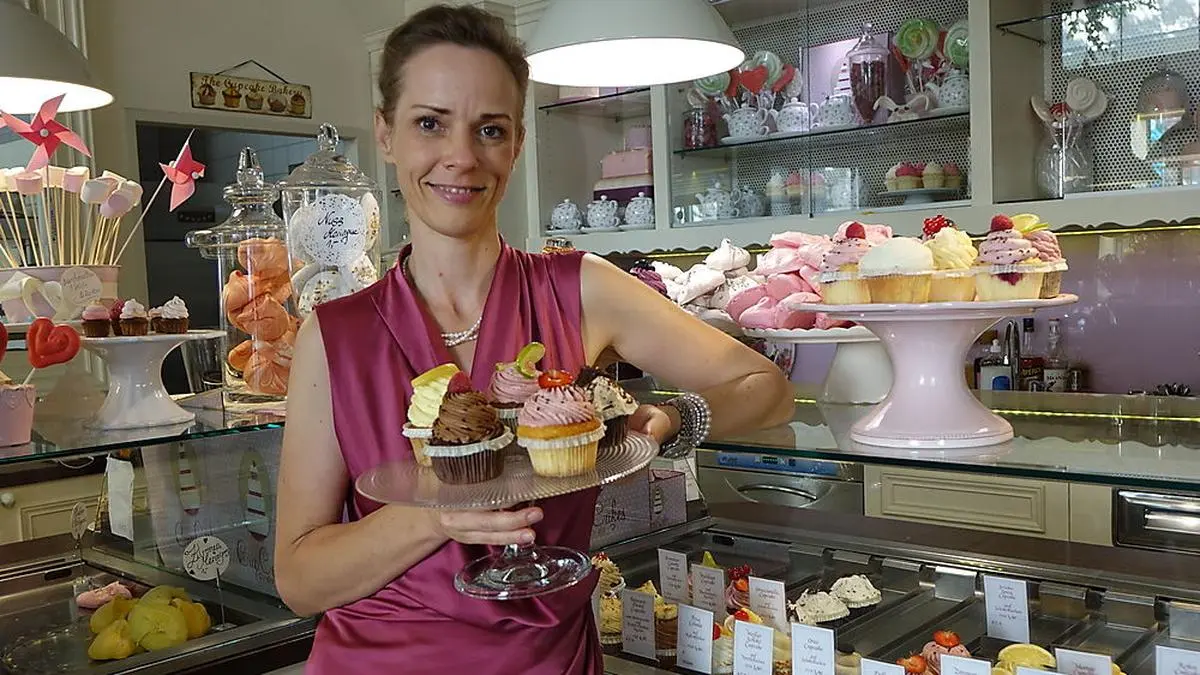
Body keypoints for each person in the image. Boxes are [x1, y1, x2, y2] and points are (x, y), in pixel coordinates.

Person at [273, 5, 794, 673]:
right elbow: (299, 578)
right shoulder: (333, 335)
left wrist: (664, 422)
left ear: (517, 143)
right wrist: (436, 516)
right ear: (386, 133)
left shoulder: (580, 290)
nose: (461, 157)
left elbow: (767, 388)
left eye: (489, 129)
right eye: (429, 123)